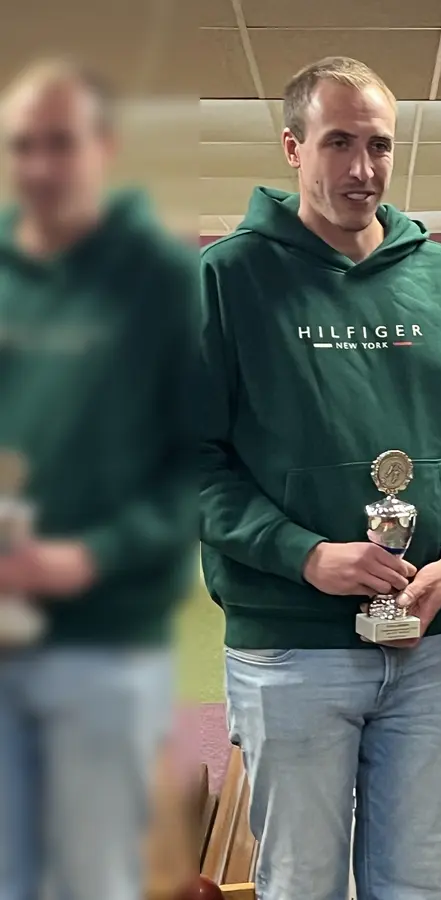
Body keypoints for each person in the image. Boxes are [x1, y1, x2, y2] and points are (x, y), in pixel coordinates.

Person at [197, 57, 441, 900]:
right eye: (338, 141)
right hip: (291, 642)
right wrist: (305, 554)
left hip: (435, 639)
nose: (361, 168)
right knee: (303, 881)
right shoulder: (229, 279)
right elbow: (188, 463)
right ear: (292, 146)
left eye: (379, 145)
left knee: (412, 881)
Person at [0, 58, 195, 900]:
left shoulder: (162, 282)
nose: (41, 166)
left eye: (61, 144)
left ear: (103, 148)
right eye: (23, 146)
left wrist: (92, 555)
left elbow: (199, 467)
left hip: (105, 643)